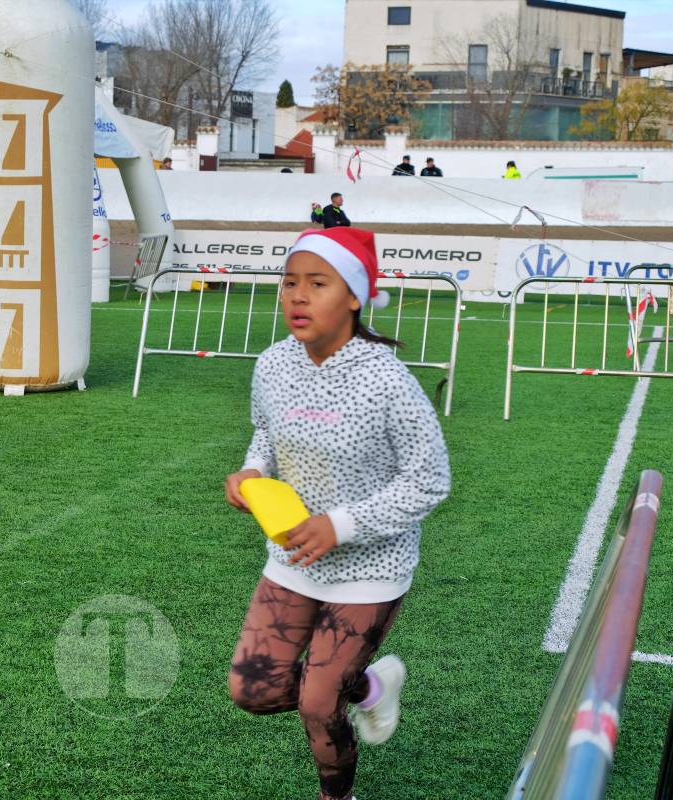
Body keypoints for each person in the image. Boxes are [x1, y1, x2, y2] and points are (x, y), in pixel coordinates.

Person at [225, 226, 450, 800]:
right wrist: (251, 470)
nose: (297, 296)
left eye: (317, 283)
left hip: (372, 566)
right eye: (289, 283)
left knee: (319, 703)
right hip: (293, 554)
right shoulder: (272, 364)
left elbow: (430, 481)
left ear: (353, 296)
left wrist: (340, 526)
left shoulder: (387, 381)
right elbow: (264, 432)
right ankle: (372, 687)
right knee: (253, 690)